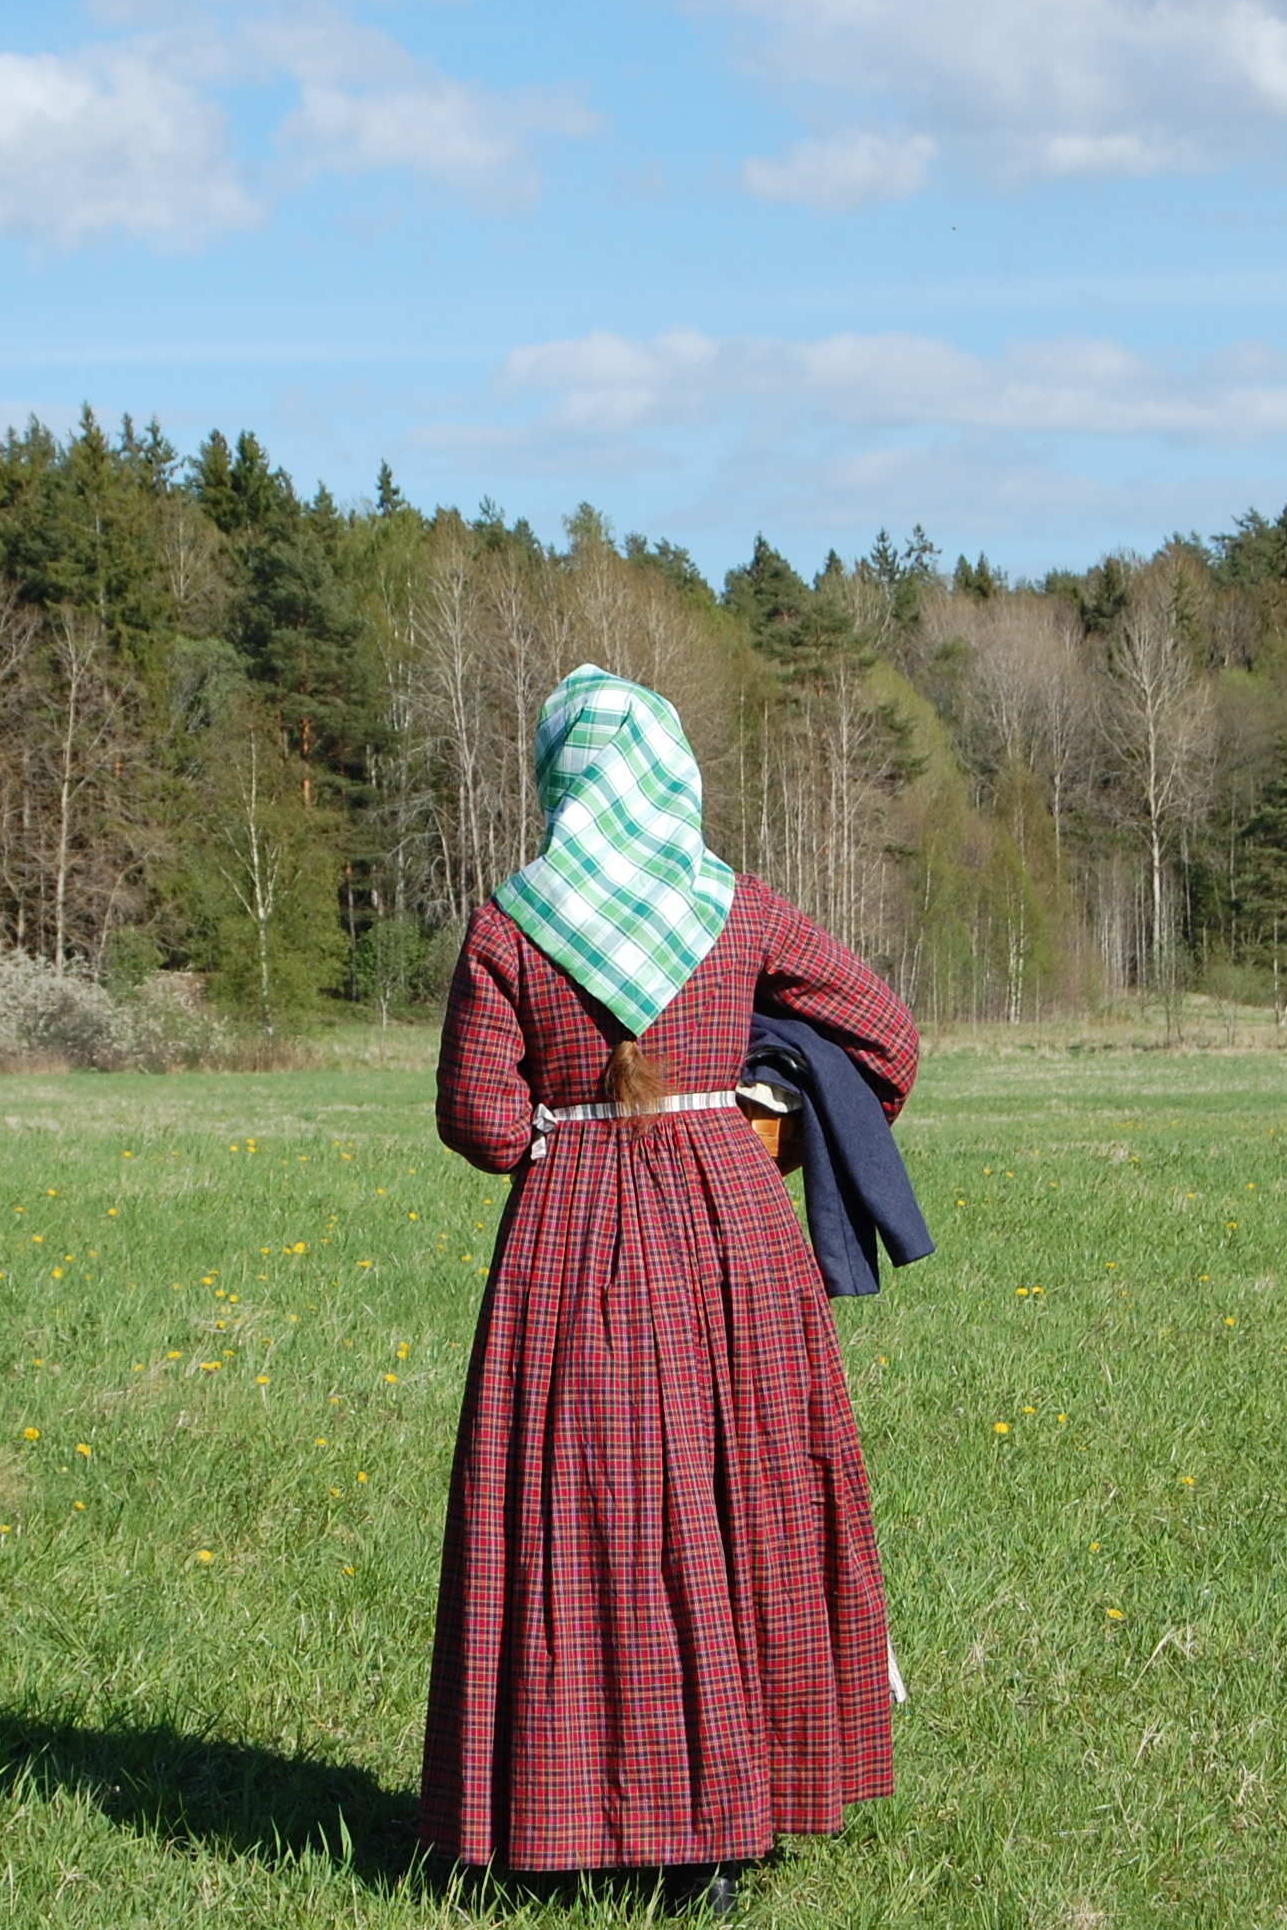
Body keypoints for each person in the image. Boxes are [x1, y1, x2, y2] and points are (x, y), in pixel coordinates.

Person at [420, 666, 919, 1910]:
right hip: (731, 1238)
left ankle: (558, 1816)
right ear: (670, 772)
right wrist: (762, 1113)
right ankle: (732, 1821)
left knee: (581, 1519)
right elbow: (883, 1030)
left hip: (571, 1238)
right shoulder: (734, 907)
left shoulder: (507, 922)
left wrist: (564, 1115)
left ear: (559, 780)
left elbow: (482, 1120)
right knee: (735, 1498)